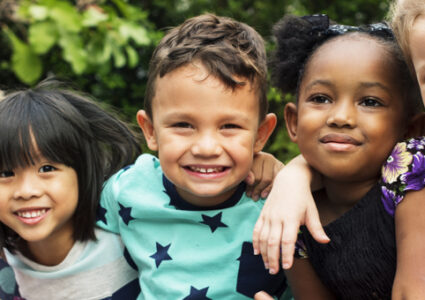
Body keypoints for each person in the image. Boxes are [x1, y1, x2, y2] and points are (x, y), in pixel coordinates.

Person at [97, 13, 289, 299]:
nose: (206, 148)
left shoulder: (278, 205)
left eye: (230, 127)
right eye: (183, 125)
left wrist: (290, 178)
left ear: (261, 134)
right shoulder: (126, 190)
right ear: (150, 131)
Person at [254, 14, 424, 299]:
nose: (341, 117)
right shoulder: (291, 215)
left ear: (410, 129)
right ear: (293, 121)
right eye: (321, 98)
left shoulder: (412, 172)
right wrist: (292, 177)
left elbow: (413, 292)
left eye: (370, 102)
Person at [0, 79, 142, 299]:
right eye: (6, 174)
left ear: (81, 170)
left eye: (46, 168)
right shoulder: (7, 270)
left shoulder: (129, 232)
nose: (26, 191)